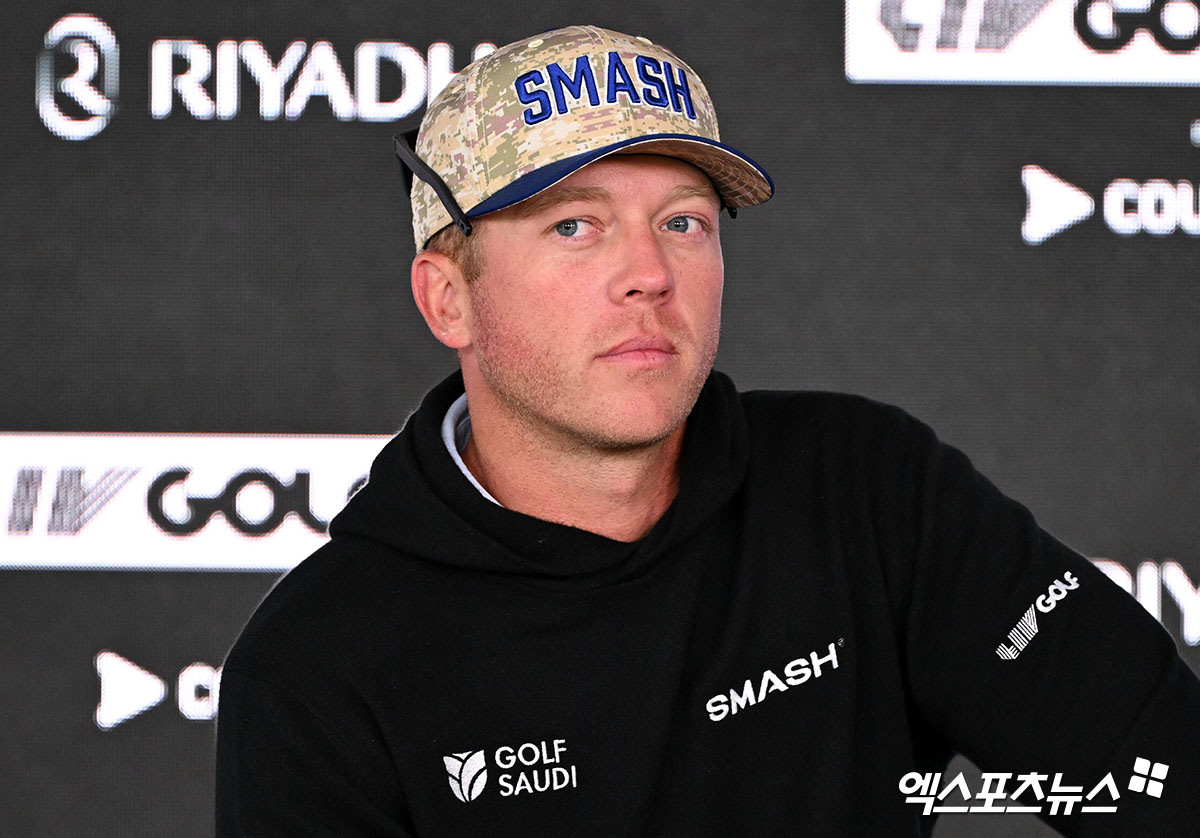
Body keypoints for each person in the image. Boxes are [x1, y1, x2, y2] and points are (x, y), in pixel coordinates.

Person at [215, 24, 1200, 836]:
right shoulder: (317, 667)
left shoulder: (868, 491)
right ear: (449, 299)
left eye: (684, 221)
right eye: (574, 226)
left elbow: (1156, 771)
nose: (649, 274)